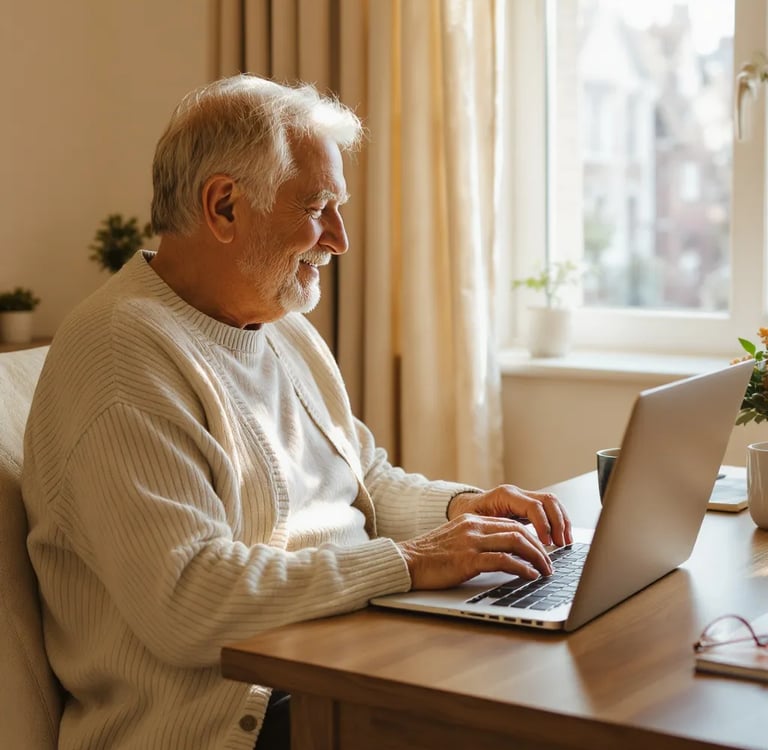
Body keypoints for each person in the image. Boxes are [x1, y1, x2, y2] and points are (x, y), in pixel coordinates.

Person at [21, 74, 573, 750]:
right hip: (234, 722)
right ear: (224, 206)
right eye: (317, 206)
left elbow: (363, 479)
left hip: (344, 657)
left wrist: (466, 512)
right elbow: (188, 602)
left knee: (555, 675)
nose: (338, 239)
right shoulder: (120, 352)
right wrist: (409, 562)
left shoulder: (280, 324)